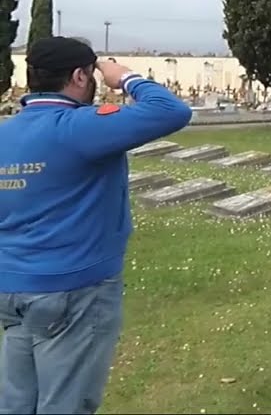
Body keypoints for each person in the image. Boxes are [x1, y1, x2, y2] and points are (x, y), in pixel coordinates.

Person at [0, 37, 193, 414]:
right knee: (66, 404)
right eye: (91, 75)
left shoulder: (6, 133)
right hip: (73, 289)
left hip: (12, 287)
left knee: (17, 404)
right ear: (78, 77)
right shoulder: (78, 127)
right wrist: (125, 77)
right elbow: (171, 111)